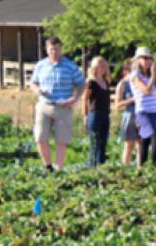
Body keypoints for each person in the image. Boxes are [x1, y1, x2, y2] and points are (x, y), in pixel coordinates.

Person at [29, 36, 85, 172]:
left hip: (63, 106)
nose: (54, 51)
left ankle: (59, 168)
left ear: (61, 49)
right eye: (52, 49)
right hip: (44, 105)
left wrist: (75, 98)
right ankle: (48, 166)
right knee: (40, 137)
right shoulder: (41, 65)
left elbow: (81, 84)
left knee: (62, 139)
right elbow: (33, 82)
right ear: (47, 50)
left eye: (57, 49)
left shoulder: (70, 66)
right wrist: (38, 90)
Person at [130, 47, 156, 165]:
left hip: (153, 111)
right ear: (138, 60)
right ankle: (154, 166)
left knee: (145, 140)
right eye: (144, 58)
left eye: (149, 58)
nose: (147, 60)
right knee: (155, 139)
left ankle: (142, 166)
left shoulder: (148, 76)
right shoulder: (135, 75)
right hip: (143, 111)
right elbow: (146, 90)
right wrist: (153, 75)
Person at [82, 56, 111, 167]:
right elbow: (85, 100)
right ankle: (92, 167)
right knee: (95, 143)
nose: (103, 68)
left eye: (104, 66)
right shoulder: (91, 82)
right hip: (94, 114)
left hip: (105, 115)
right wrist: (85, 116)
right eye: (100, 65)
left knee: (103, 144)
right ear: (95, 67)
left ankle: (101, 166)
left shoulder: (105, 82)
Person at [114, 58, 140, 165]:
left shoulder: (141, 82)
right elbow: (117, 105)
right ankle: (125, 170)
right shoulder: (123, 84)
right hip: (129, 116)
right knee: (129, 145)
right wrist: (132, 100)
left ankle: (140, 170)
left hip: (141, 115)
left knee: (141, 145)